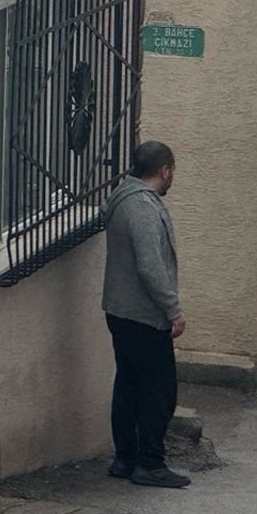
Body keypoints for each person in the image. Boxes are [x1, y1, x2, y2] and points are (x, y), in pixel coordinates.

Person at [102, 141, 190, 488]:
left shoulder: (123, 195)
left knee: (129, 384)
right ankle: (150, 463)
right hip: (142, 314)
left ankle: (125, 458)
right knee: (159, 390)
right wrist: (173, 309)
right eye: (172, 173)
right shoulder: (141, 206)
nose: (172, 180)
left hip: (121, 310)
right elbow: (151, 266)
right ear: (164, 170)